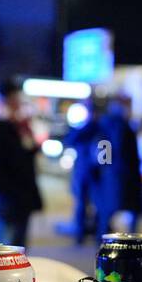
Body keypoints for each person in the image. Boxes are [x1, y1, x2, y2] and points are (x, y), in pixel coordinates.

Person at [0, 79, 43, 246]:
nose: (18, 103)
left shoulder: (20, 127)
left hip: (22, 198)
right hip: (8, 200)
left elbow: (29, 154)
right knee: (4, 249)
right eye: (14, 99)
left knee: (19, 247)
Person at [92, 95, 142, 239]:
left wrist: (106, 169)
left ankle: (101, 241)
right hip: (123, 175)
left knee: (107, 212)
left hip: (111, 175)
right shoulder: (121, 126)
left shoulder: (106, 124)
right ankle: (132, 241)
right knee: (130, 209)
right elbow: (122, 151)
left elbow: (104, 152)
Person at [62, 100, 103, 244]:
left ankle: (82, 235)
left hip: (88, 172)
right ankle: (89, 234)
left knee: (85, 204)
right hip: (92, 172)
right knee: (90, 204)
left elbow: (69, 141)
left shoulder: (90, 129)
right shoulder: (98, 128)